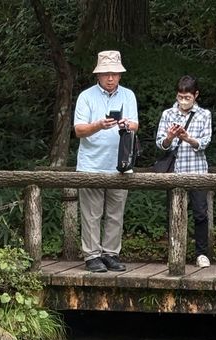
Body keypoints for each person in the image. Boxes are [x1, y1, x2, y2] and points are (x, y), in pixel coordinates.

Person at [73, 50, 139, 273]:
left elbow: (136, 125)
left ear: (120, 75)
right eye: (106, 74)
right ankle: (92, 255)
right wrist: (99, 125)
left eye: (114, 73)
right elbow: (79, 130)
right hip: (91, 163)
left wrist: (126, 124)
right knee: (91, 214)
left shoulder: (128, 95)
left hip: (120, 164)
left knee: (115, 213)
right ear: (98, 75)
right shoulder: (86, 96)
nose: (110, 78)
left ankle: (111, 253)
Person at [156, 76, 213, 268]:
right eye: (180, 96)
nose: (183, 100)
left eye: (187, 97)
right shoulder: (167, 114)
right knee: (174, 213)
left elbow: (205, 142)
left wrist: (188, 138)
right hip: (175, 171)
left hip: (197, 170)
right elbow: (160, 143)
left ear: (196, 95)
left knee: (200, 213)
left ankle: (201, 253)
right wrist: (170, 137)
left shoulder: (204, 114)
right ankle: (175, 251)